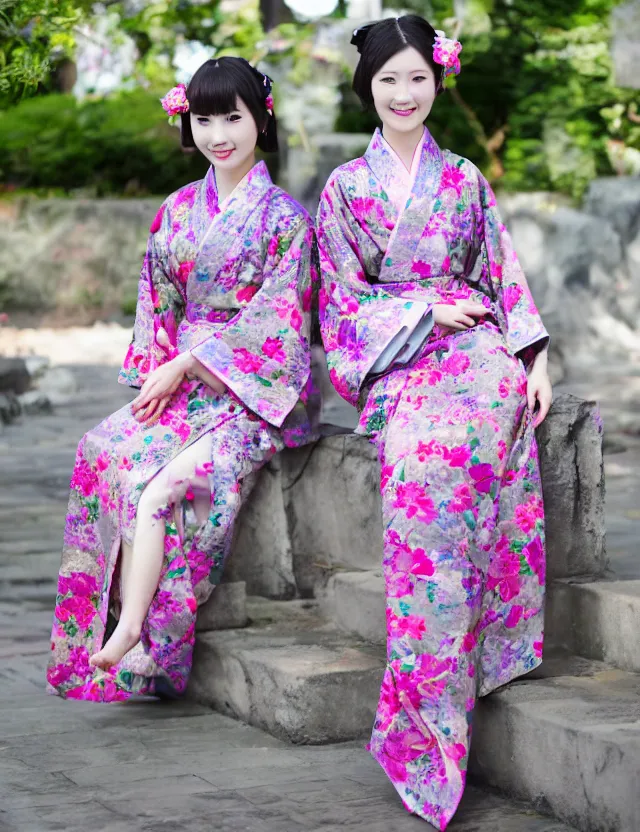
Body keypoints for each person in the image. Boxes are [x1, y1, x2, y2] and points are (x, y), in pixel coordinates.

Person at [316, 16, 552, 830]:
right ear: (368, 89)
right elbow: (340, 307)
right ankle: (421, 713)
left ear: (437, 80)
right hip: (401, 358)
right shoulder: (346, 188)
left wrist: (535, 361)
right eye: (388, 80)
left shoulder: (464, 183)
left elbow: (504, 274)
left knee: (476, 441)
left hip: (480, 353)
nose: (405, 93)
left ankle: (459, 671)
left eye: (418, 77)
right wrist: (420, 309)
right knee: (420, 467)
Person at [47, 57, 316, 702]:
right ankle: (117, 624)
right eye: (204, 118)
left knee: (164, 485)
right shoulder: (177, 209)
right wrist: (159, 373)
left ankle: (138, 631)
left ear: (261, 119)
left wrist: (188, 364)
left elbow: (282, 322)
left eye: (233, 117)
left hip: (254, 390)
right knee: (101, 450)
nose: (219, 133)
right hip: (185, 379)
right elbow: (156, 302)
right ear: (186, 121)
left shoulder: (286, 219)